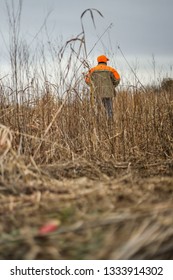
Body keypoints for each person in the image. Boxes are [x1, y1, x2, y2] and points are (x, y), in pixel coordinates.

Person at [85, 55, 120, 119]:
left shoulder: (92, 70)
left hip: (96, 93)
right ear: (105, 62)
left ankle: (98, 123)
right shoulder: (111, 70)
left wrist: (93, 86)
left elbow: (87, 80)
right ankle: (110, 124)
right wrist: (112, 86)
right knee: (109, 110)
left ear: (98, 61)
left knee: (98, 110)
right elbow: (117, 79)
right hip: (108, 93)